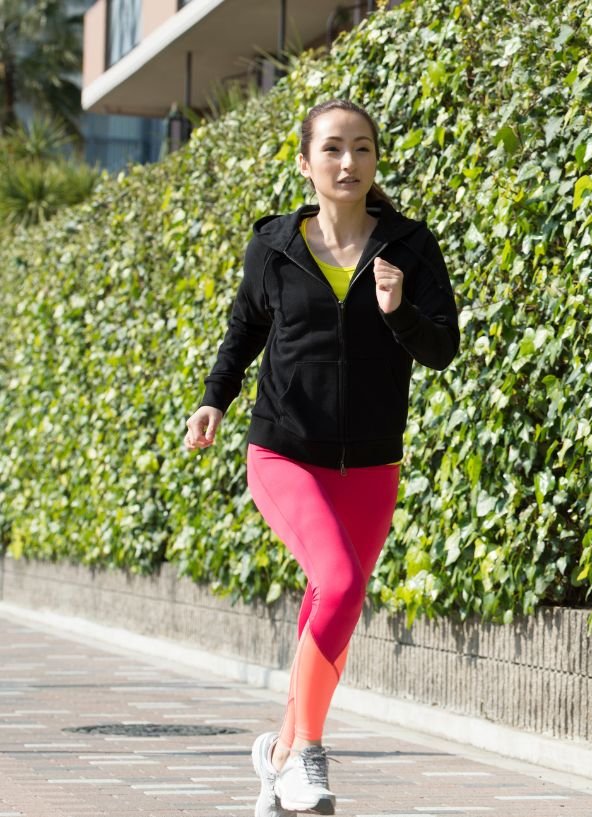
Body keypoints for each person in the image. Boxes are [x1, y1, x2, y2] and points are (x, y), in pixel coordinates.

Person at [183, 98, 459, 815]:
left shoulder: (409, 246)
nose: (348, 161)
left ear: (376, 160)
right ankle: (306, 752)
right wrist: (214, 399)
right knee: (337, 582)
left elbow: (442, 348)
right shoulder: (275, 245)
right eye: (333, 148)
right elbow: (244, 330)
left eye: (362, 147)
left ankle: (277, 757)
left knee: (331, 602)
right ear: (306, 163)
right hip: (285, 449)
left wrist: (399, 311)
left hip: (371, 459)